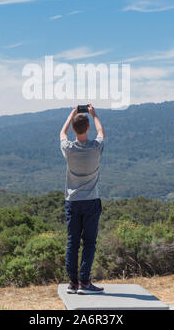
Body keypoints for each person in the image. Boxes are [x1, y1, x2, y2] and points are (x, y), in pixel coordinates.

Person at [60, 103, 105, 295]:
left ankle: (73, 282)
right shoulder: (96, 148)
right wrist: (94, 115)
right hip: (91, 201)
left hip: (72, 201)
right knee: (89, 243)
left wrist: (71, 116)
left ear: (73, 128)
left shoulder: (68, 149)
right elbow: (101, 132)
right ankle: (85, 282)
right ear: (88, 127)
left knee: (73, 242)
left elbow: (61, 133)